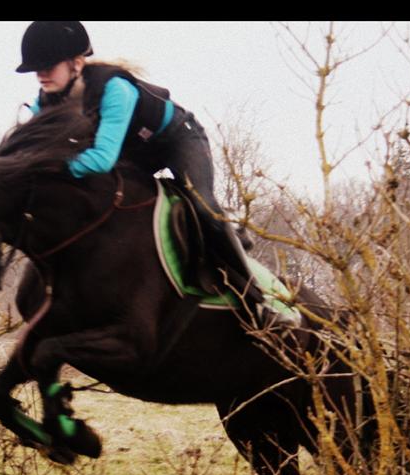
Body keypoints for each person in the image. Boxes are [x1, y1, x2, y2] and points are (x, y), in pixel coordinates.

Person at [16, 20, 262, 307]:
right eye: (36, 68)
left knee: (201, 204)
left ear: (77, 63)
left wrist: (52, 166)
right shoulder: (43, 103)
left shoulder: (115, 89)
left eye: (48, 65)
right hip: (133, 152)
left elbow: (100, 159)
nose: (41, 74)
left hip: (176, 139)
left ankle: (254, 294)